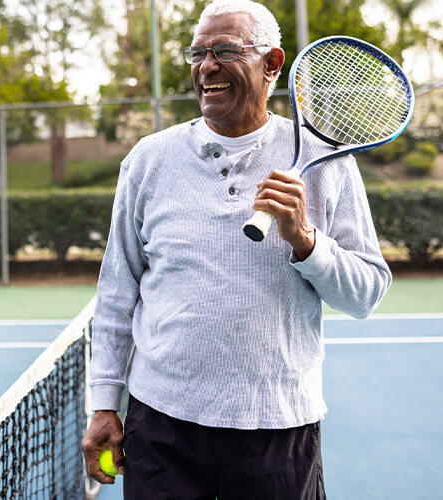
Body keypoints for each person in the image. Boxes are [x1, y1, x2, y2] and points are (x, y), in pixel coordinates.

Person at [80, 0, 392, 498]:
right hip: (161, 424)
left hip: (278, 422)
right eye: (198, 53)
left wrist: (304, 240)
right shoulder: (148, 160)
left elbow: (366, 294)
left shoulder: (325, 162)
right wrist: (103, 403)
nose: (207, 67)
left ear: (272, 64)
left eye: (225, 50)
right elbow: (118, 291)